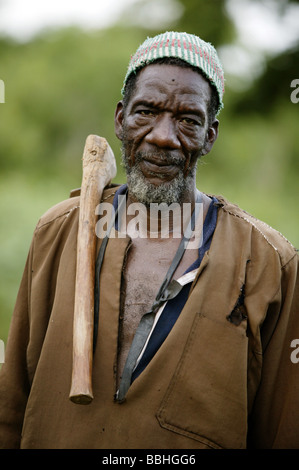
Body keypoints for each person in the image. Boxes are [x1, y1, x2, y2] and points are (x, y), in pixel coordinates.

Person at [0, 31, 298, 450]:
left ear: (210, 135)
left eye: (187, 120)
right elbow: (11, 401)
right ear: (121, 119)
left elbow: (283, 426)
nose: (162, 136)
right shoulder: (57, 232)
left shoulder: (268, 262)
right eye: (147, 112)